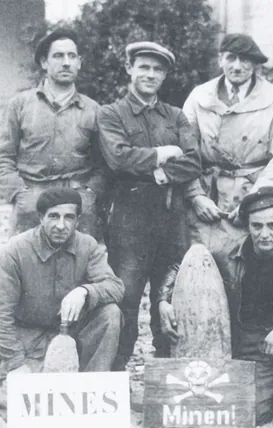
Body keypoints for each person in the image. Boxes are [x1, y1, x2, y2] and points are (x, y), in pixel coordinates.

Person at [156, 187, 273, 424]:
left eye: (272, 226)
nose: (264, 234)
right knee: (250, 413)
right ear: (248, 226)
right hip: (253, 345)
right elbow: (180, 265)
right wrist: (163, 300)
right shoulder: (228, 252)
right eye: (257, 226)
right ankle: (269, 391)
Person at [97, 42, 202, 368]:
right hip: (129, 221)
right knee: (125, 299)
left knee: (170, 297)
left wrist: (157, 174)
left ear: (165, 75)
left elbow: (194, 162)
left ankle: (168, 374)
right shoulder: (112, 113)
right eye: (143, 67)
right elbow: (117, 158)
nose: (150, 74)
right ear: (129, 68)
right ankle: (114, 376)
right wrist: (162, 154)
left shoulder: (176, 116)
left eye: (157, 69)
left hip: (172, 220)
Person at [0, 188, 124, 377]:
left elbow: (115, 287)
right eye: (53, 216)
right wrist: (16, 363)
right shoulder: (15, 251)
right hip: (30, 342)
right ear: (41, 217)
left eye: (69, 217)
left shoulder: (88, 246)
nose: (61, 225)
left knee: (110, 313)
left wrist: (85, 291)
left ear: (77, 220)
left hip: (72, 338)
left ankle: (94, 381)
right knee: (24, 401)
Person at [183, 34, 273, 253]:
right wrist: (195, 196)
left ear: (254, 64)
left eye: (244, 60)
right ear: (220, 60)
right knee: (203, 265)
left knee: (251, 265)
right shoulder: (199, 96)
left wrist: (256, 202)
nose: (237, 66)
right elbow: (185, 151)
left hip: (252, 194)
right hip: (209, 198)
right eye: (231, 58)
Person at [0, 29, 106, 238]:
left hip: (77, 208)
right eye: (58, 56)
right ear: (44, 63)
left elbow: (104, 165)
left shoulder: (93, 110)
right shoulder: (20, 105)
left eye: (72, 56)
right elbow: (2, 158)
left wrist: (89, 195)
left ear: (79, 62)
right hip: (31, 208)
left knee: (76, 268)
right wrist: (19, 194)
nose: (66, 63)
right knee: (28, 267)